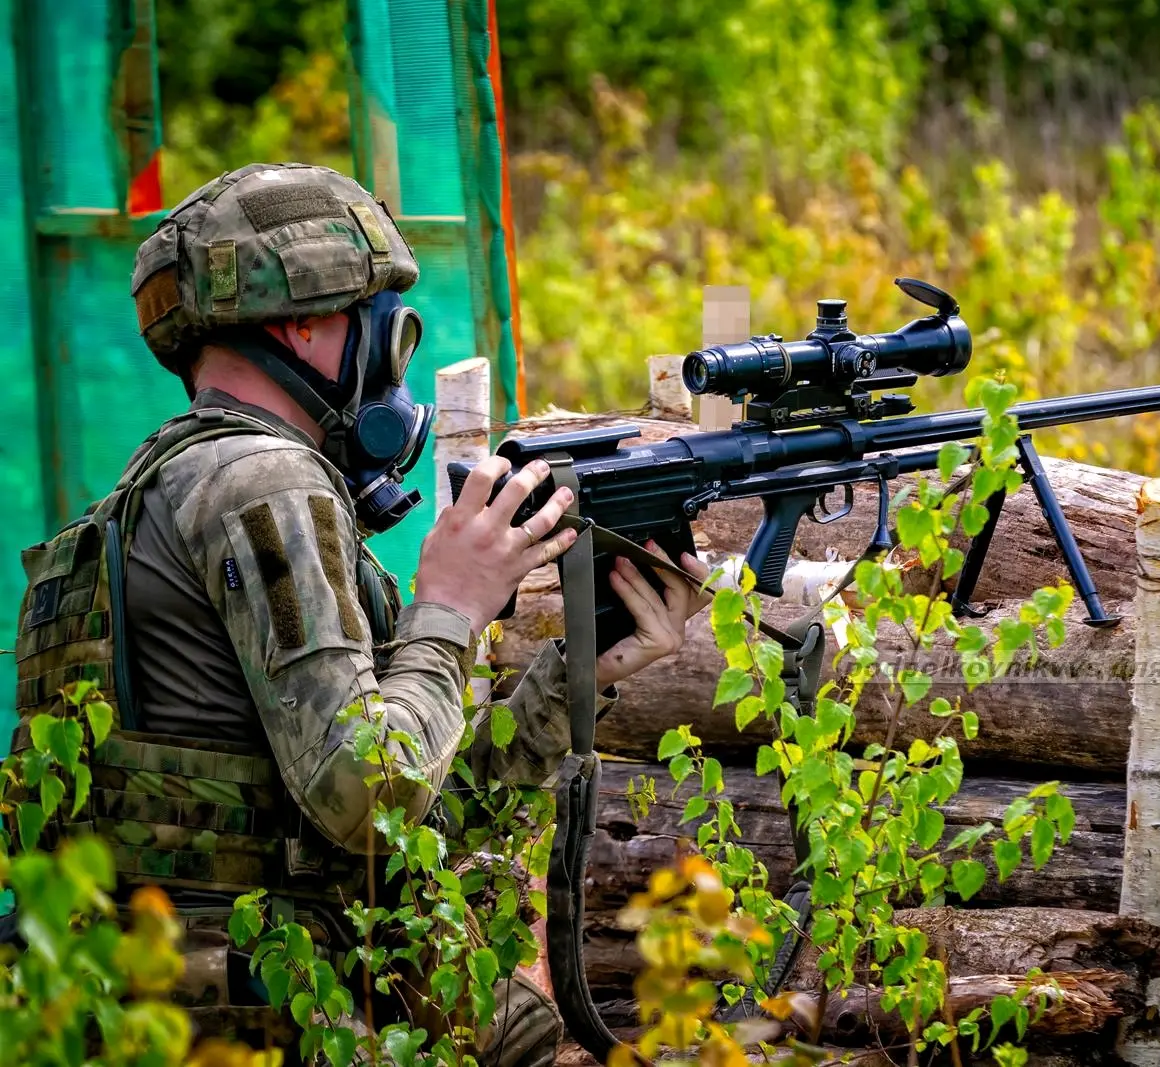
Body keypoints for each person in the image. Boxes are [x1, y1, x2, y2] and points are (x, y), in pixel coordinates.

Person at [10, 162, 710, 1063]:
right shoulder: (264, 484)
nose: (394, 365)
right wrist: (449, 606)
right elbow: (368, 792)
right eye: (386, 329)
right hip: (266, 1017)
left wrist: (576, 674)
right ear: (302, 323)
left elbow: (395, 832)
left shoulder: (158, 494)